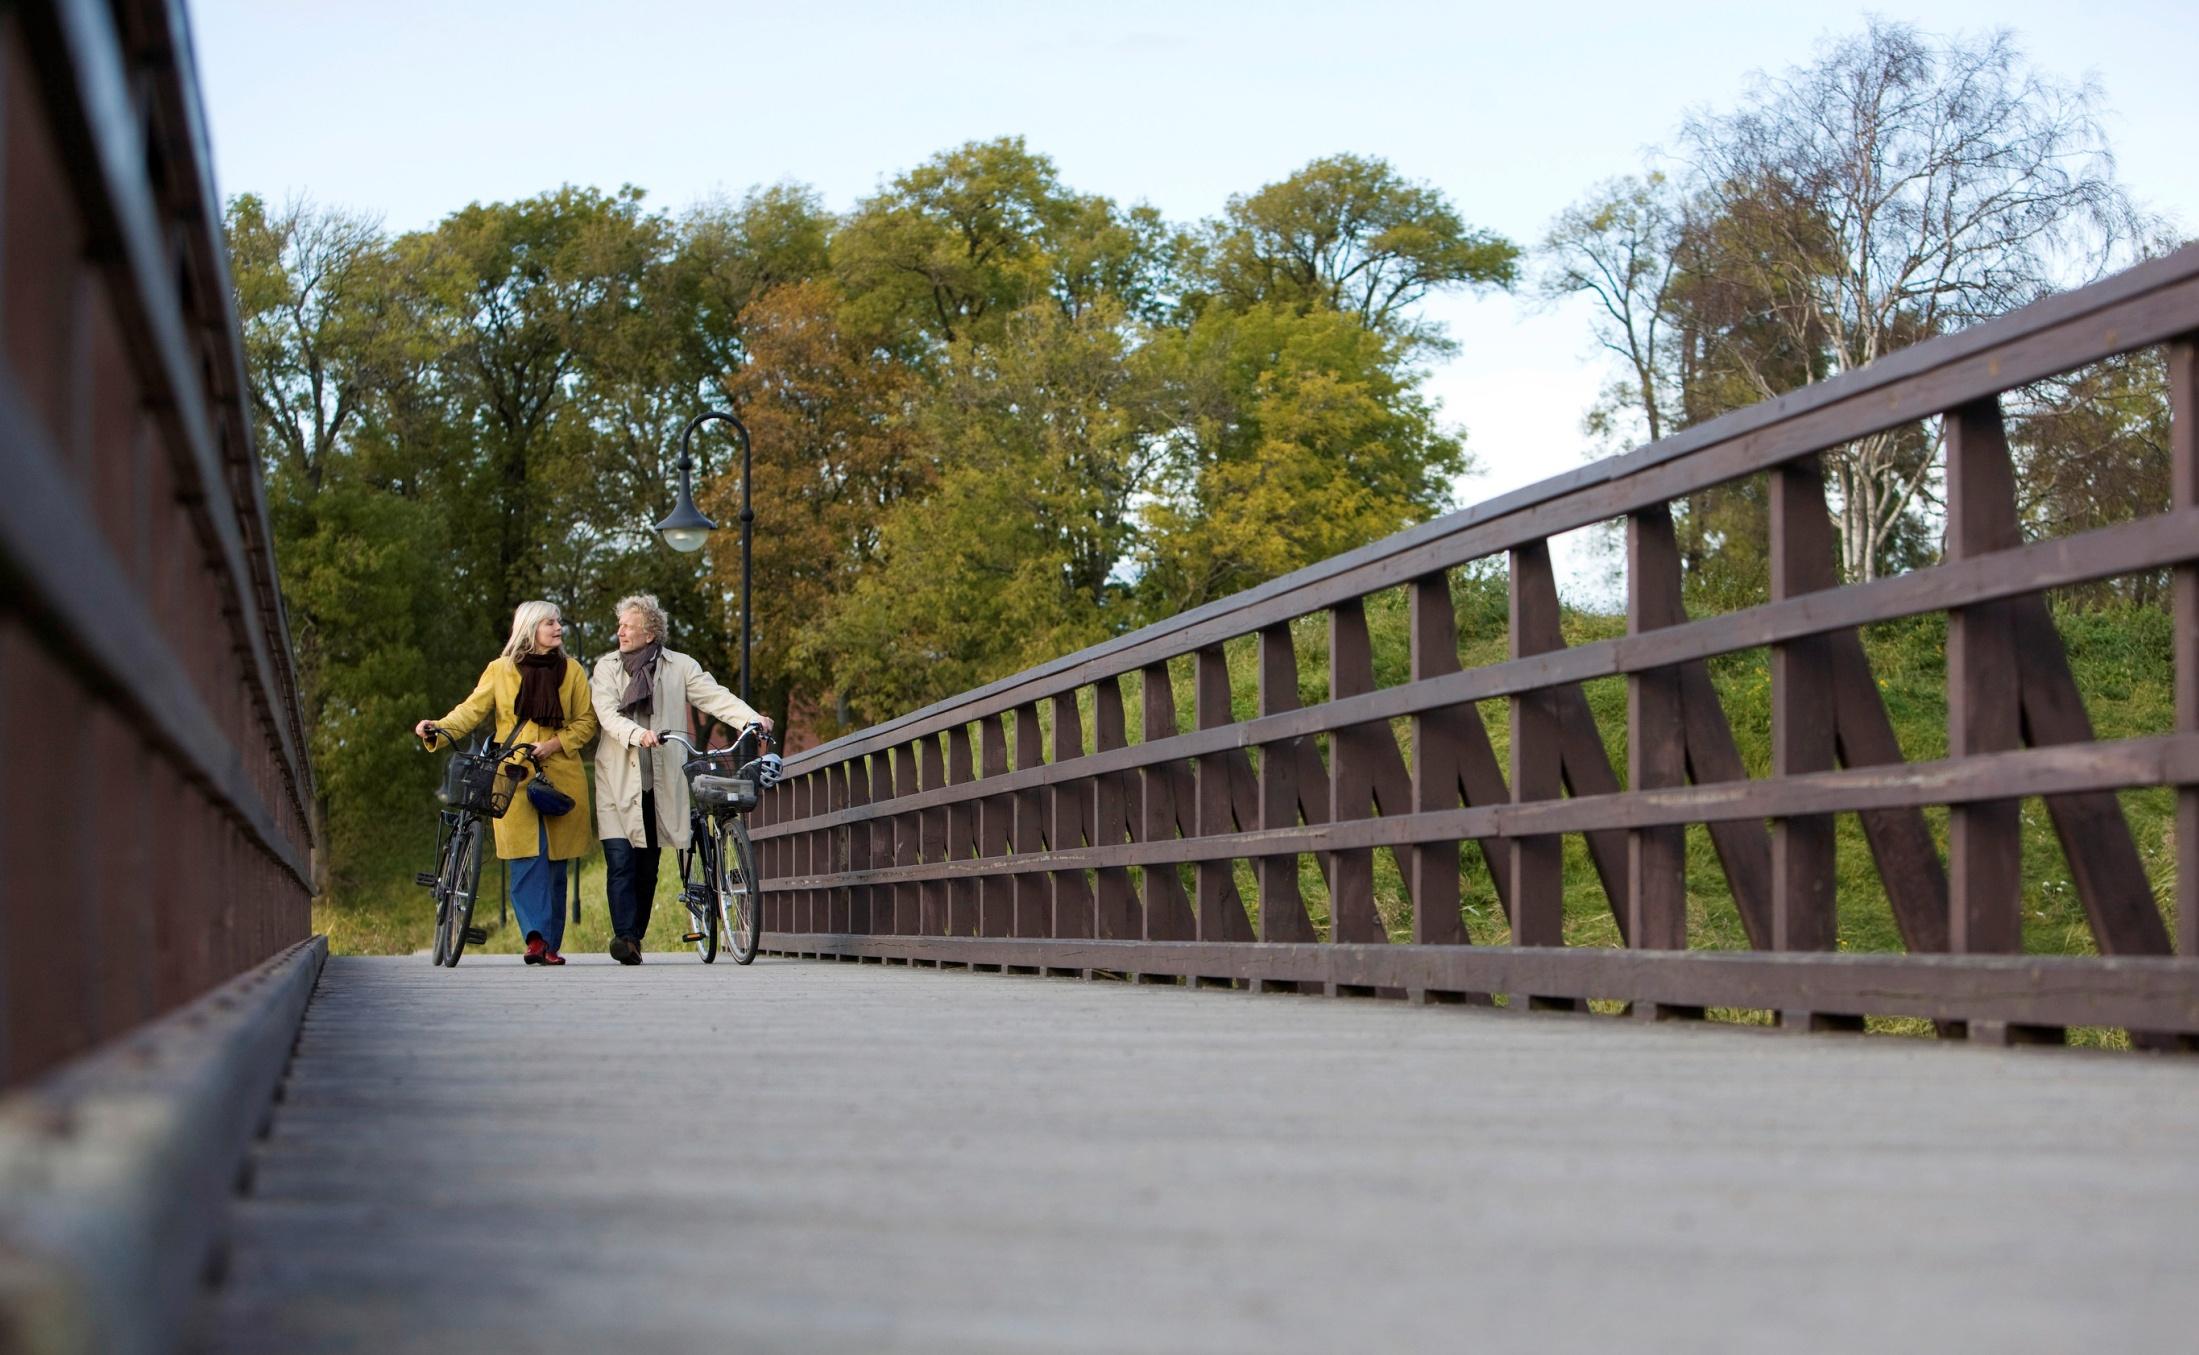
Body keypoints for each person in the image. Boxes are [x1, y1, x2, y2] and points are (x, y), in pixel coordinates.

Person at [413, 601, 597, 965]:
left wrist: (554, 744)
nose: (558, 628)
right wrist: (438, 727)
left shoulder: (572, 671)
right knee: (525, 858)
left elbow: (586, 722)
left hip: (558, 774)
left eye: (558, 622)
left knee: (555, 861)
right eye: (550, 622)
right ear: (530, 629)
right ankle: (535, 941)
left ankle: (549, 943)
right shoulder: (500, 670)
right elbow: (471, 710)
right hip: (512, 776)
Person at [590, 594, 770, 965]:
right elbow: (607, 714)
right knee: (621, 858)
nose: (619, 631)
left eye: (627, 625)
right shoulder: (606, 668)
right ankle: (625, 937)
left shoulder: (679, 666)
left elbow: (714, 696)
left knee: (648, 862)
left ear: (650, 631)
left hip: (660, 776)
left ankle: (634, 936)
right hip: (618, 777)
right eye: (620, 624)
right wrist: (636, 734)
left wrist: (751, 719)